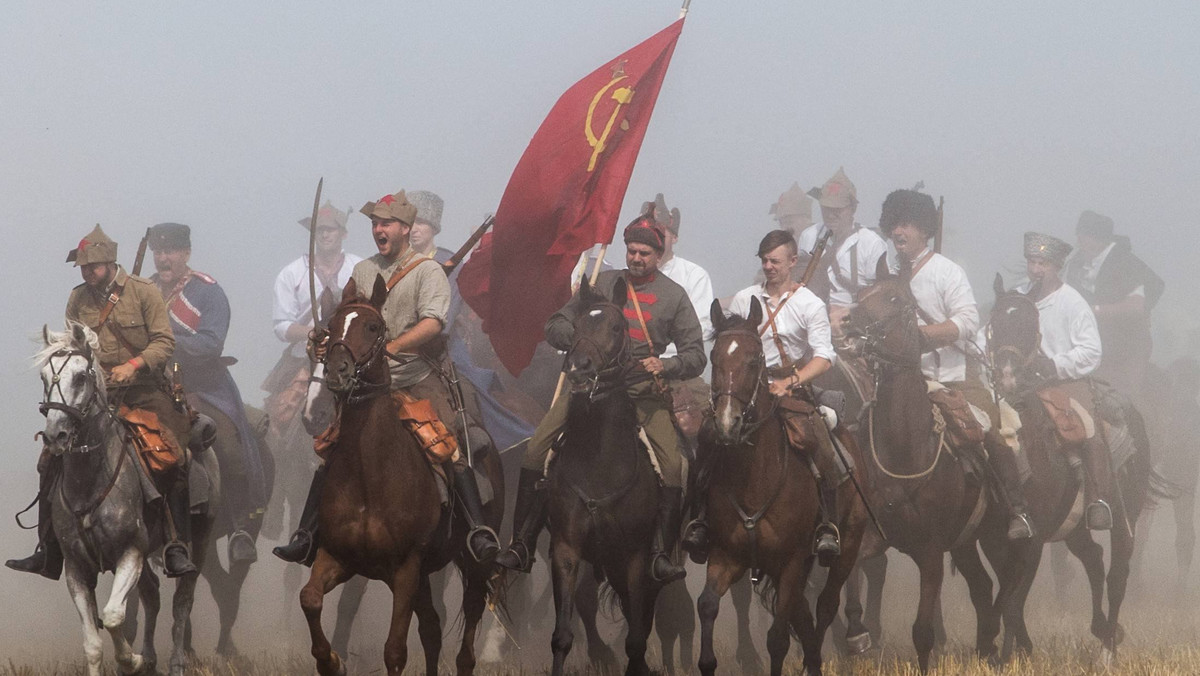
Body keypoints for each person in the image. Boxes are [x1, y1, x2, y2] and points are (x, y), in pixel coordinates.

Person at [273, 189, 500, 565]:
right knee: (331, 445)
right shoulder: (363, 272)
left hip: (417, 374)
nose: (379, 229)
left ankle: (477, 530)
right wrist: (325, 342)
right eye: (375, 223)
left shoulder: (428, 272)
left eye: (386, 223)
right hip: (368, 380)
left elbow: (433, 322)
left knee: (447, 439)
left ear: (406, 229)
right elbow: (348, 318)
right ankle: (307, 532)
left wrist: (394, 348)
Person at [495, 214, 707, 583]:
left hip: (641, 392)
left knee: (674, 467)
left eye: (644, 252)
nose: (636, 258)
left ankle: (659, 552)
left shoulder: (674, 296)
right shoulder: (601, 283)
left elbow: (696, 354)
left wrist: (666, 364)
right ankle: (523, 543)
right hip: (587, 389)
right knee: (535, 451)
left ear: (659, 254)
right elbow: (555, 323)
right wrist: (579, 341)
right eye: (632, 250)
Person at [7, 225, 196, 578]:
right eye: (82, 267)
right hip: (93, 393)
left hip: (144, 391)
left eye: (92, 266)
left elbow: (163, 342)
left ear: (110, 263)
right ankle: (48, 549)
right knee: (50, 457)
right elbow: (73, 348)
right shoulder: (78, 298)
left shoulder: (144, 292)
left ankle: (175, 545)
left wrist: (133, 365)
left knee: (174, 455)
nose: (87, 272)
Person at [879, 189, 1032, 539]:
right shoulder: (888, 275)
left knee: (992, 431)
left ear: (924, 230)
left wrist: (922, 336)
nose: (898, 233)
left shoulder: (947, 272)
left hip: (953, 378)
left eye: (906, 225)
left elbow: (967, 321)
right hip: (904, 380)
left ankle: (1016, 510)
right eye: (894, 225)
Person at [685, 229, 843, 561]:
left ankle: (826, 524)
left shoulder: (809, 304)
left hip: (792, 386)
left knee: (818, 438)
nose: (768, 267)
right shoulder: (746, 298)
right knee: (709, 437)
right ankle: (699, 519)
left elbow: (825, 356)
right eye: (764, 260)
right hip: (747, 390)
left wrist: (790, 382)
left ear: (793, 262)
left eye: (775, 260)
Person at [148, 223, 268, 563]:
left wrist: (164, 343)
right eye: (158, 251)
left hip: (203, 385)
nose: (163, 258)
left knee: (227, 444)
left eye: (170, 251)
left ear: (186, 253)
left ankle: (240, 524)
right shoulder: (144, 290)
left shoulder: (208, 292)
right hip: (153, 386)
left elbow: (211, 342)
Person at [1019, 232, 1112, 530]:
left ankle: (1097, 501)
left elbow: (1091, 351)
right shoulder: (1018, 296)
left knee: (1088, 427)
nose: (1036, 269)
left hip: (1065, 381)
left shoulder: (1073, 302)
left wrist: (1054, 364)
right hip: (1021, 383)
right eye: (1032, 262)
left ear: (1057, 266)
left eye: (1042, 263)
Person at [1065, 211, 1164, 399]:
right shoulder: (1076, 263)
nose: (1079, 240)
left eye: (1084, 235)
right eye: (1080, 235)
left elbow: (1136, 306)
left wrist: (1096, 311)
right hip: (1088, 341)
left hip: (1127, 344)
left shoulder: (1125, 263)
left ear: (1096, 238)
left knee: (1123, 397)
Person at [644, 193, 714, 442]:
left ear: (674, 236)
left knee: (704, 434)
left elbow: (702, 328)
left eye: (661, 232)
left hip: (679, 372)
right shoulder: (627, 276)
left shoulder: (694, 276)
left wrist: (664, 355)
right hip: (633, 371)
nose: (656, 238)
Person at [797, 167, 889, 318]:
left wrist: (848, 312)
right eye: (826, 208)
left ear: (852, 209)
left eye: (837, 209)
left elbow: (882, 295)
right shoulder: (808, 236)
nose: (830, 215)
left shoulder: (872, 244)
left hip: (855, 324)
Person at [406, 190, 455, 264]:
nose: (413, 229)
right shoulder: (392, 262)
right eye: (409, 222)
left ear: (434, 228)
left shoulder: (450, 261)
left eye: (420, 222)